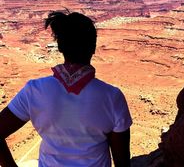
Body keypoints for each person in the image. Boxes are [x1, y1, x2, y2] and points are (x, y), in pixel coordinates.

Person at [0, 11, 132, 167]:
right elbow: (122, 162)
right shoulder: (112, 97)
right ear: (93, 47)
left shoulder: (34, 90)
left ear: (60, 47)